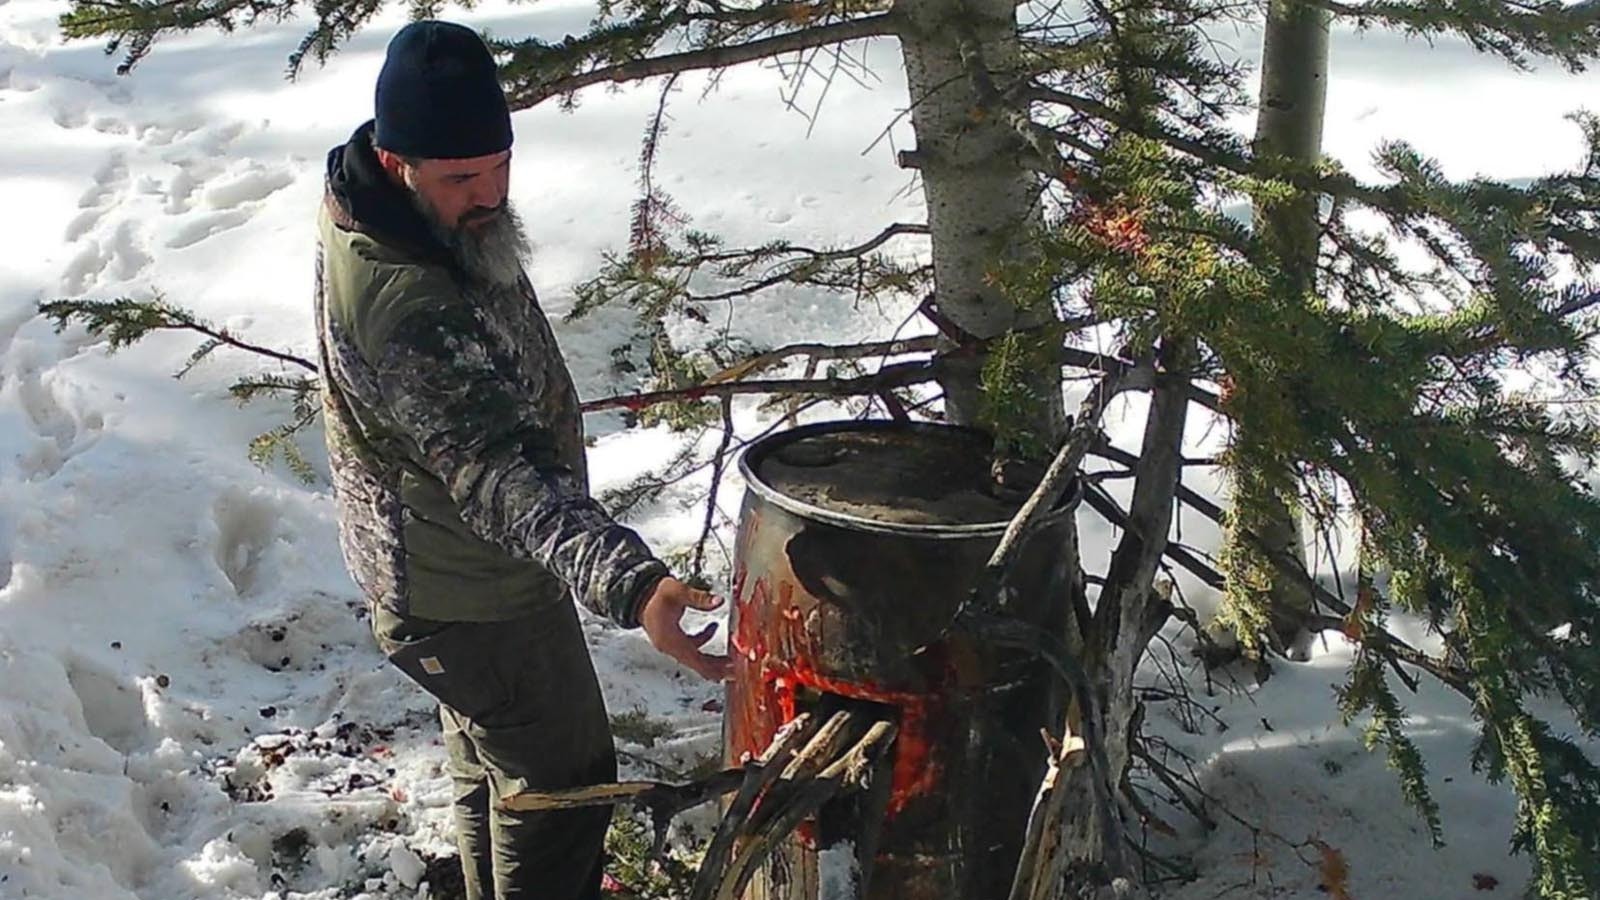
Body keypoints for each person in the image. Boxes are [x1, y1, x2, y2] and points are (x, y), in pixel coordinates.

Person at [312, 20, 732, 900]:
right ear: (398, 164)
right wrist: (631, 583)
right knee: (562, 781)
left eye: (501, 163)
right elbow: (495, 472)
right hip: (473, 594)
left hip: (436, 574)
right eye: (464, 177)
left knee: (489, 765)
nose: (492, 193)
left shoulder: (394, 208)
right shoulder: (410, 302)